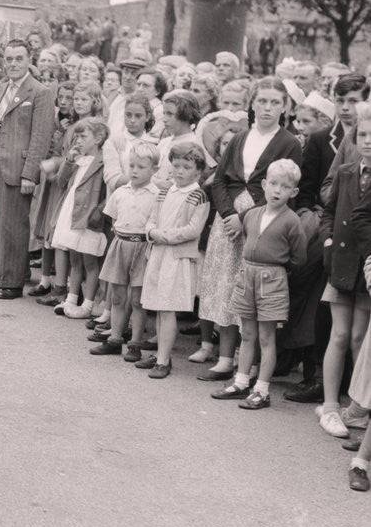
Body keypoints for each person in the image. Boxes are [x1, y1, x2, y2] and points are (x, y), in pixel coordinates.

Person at [212, 159, 306, 408]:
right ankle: (241, 382)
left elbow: (299, 258)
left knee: (266, 338)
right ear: (263, 184)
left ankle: (262, 390)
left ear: (293, 192)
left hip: (272, 281)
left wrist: (278, 271)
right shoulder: (251, 214)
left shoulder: (291, 221)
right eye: (273, 183)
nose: (277, 190)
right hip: (247, 277)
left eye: (284, 187)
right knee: (248, 334)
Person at [0, 39, 55, 299]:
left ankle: (11, 282)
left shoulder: (39, 92)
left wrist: (29, 173)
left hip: (18, 164)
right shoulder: (1, 86)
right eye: (8, 59)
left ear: (29, 59)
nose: (12, 64)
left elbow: (41, 136)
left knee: (14, 225)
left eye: (18, 58)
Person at [315, 104, 371, 437]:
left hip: (366, 270)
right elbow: (328, 212)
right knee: (338, 334)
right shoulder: (348, 172)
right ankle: (330, 404)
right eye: (363, 135)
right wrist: (327, 241)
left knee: (357, 337)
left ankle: (356, 407)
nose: (368, 141)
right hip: (340, 263)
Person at [136, 141, 210, 378]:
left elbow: (192, 230)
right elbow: (152, 218)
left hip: (177, 258)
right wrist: (150, 231)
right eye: (176, 165)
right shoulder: (165, 191)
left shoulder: (198, 196)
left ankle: (164, 361)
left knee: (168, 308)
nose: (179, 171)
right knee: (158, 306)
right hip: (157, 253)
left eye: (186, 167)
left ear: (198, 171)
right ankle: (159, 354)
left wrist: (162, 236)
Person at [90, 141, 159, 360]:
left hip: (142, 247)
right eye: (132, 166)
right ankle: (115, 339)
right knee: (118, 296)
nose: (135, 171)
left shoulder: (157, 195)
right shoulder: (121, 192)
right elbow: (114, 218)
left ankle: (135, 344)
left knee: (138, 300)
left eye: (141, 167)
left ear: (154, 170)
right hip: (120, 245)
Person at [51, 117, 109, 320]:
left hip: (89, 216)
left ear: (99, 137)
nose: (79, 140)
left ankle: (88, 304)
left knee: (90, 261)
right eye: (77, 136)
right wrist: (69, 160)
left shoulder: (103, 159)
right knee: (74, 259)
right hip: (72, 213)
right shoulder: (78, 157)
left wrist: (99, 210)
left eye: (83, 136)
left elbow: (107, 190)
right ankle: (71, 299)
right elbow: (60, 182)